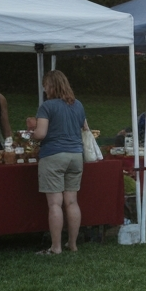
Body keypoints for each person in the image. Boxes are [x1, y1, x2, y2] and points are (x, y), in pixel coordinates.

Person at [30, 71, 89, 255]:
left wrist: (31, 133)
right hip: (76, 156)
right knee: (72, 202)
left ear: (52, 86)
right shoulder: (77, 104)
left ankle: (56, 247)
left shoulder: (47, 106)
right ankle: (72, 244)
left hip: (53, 155)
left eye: (46, 85)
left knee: (55, 203)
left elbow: (41, 134)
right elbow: (85, 128)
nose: (45, 89)